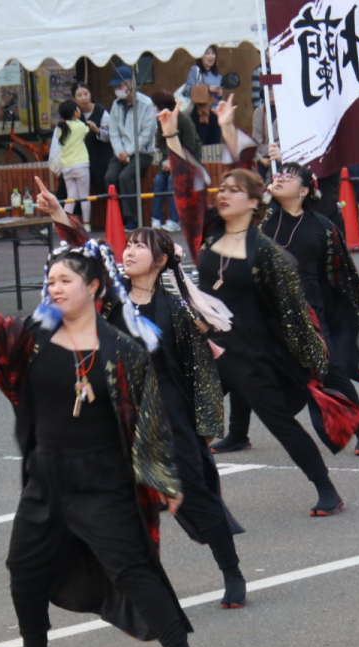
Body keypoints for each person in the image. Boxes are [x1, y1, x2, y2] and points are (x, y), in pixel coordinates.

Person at [0, 224, 204, 647]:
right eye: (51, 281)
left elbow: (151, 420)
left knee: (131, 567)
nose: (55, 288)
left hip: (103, 477)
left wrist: (163, 479)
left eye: (66, 280)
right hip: (47, 473)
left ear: (94, 287)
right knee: (24, 564)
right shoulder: (32, 339)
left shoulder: (123, 351)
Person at [36, 179, 248, 606]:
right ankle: (137, 589)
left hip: (168, 415)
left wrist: (205, 426)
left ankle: (232, 572)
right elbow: (88, 252)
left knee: (194, 497)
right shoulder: (113, 299)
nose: (128, 250)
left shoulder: (176, 311)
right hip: (119, 415)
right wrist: (61, 215)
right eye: (127, 244)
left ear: (162, 259)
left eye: (140, 246)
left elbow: (202, 372)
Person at [161, 96, 359, 516]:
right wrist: (170, 135)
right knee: (178, 413)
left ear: (254, 203)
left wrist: (312, 365)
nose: (225, 194)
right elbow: (187, 187)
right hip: (211, 350)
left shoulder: (268, 253)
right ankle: (182, 492)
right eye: (224, 190)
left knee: (282, 425)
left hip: (254, 353)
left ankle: (327, 489)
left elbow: (294, 314)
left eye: (235, 191)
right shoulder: (209, 236)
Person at [214, 162, 359, 457]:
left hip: (308, 313)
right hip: (266, 310)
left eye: (288, 177)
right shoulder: (262, 223)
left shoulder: (323, 228)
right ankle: (238, 433)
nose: (279, 179)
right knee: (244, 366)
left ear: (304, 190)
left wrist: (343, 313)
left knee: (330, 372)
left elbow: (339, 273)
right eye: (277, 175)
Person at [104, 66, 158, 230]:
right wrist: (121, 151)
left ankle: (131, 218)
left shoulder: (146, 104)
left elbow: (146, 135)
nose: (118, 89)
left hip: (142, 152)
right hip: (120, 151)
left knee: (125, 177)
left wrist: (127, 151)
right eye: (116, 87)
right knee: (109, 177)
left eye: (121, 85)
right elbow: (113, 132)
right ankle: (116, 216)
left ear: (131, 84)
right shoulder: (115, 105)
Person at [152, 89, 200, 232]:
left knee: (172, 180)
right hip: (169, 160)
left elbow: (190, 146)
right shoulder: (160, 119)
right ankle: (156, 218)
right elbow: (159, 143)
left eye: (155, 105)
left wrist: (173, 161)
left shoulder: (183, 119)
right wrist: (167, 160)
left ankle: (175, 220)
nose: (154, 108)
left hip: (188, 160)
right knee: (159, 179)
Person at [50, 99, 93, 229]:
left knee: (71, 196)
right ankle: (86, 224)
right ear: (75, 113)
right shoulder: (80, 126)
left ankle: (66, 223)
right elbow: (87, 130)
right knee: (84, 196)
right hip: (80, 164)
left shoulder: (60, 128)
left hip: (66, 167)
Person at [72, 82, 113, 197]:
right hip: (82, 157)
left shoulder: (101, 111)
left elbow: (110, 136)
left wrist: (97, 131)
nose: (83, 98)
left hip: (102, 155)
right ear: (74, 99)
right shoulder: (74, 114)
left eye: (86, 94)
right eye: (79, 95)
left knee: (103, 178)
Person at [184, 45, 224, 145]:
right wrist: (208, 89)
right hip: (201, 114)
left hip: (215, 115)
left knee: (215, 146)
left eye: (213, 53)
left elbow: (221, 100)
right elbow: (188, 91)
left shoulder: (218, 76)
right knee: (201, 145)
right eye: (207, 53)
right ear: (200, 55)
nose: (211, 56)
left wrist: (221, 94)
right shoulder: (195, 71)